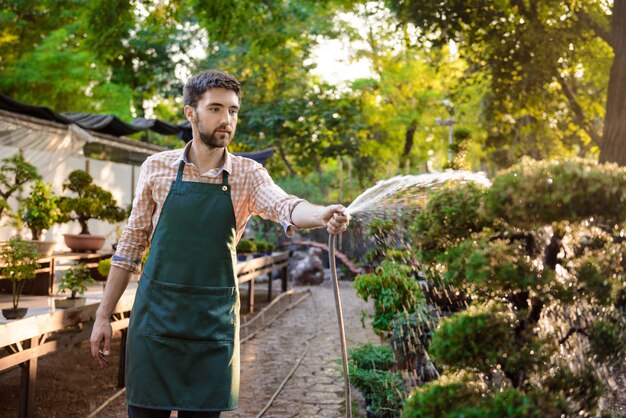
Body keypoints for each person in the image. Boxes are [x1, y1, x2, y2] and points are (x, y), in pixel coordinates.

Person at [89, 70, 350, 418]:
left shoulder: (248, 174)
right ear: (190, 113)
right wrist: (103, 315)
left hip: (212, 326)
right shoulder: (157, 168)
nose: (226, 119)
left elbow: (284, 205)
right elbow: (130, 247)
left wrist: (321, 214)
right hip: (155, 324)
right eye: (215, 108)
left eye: (233, 110)